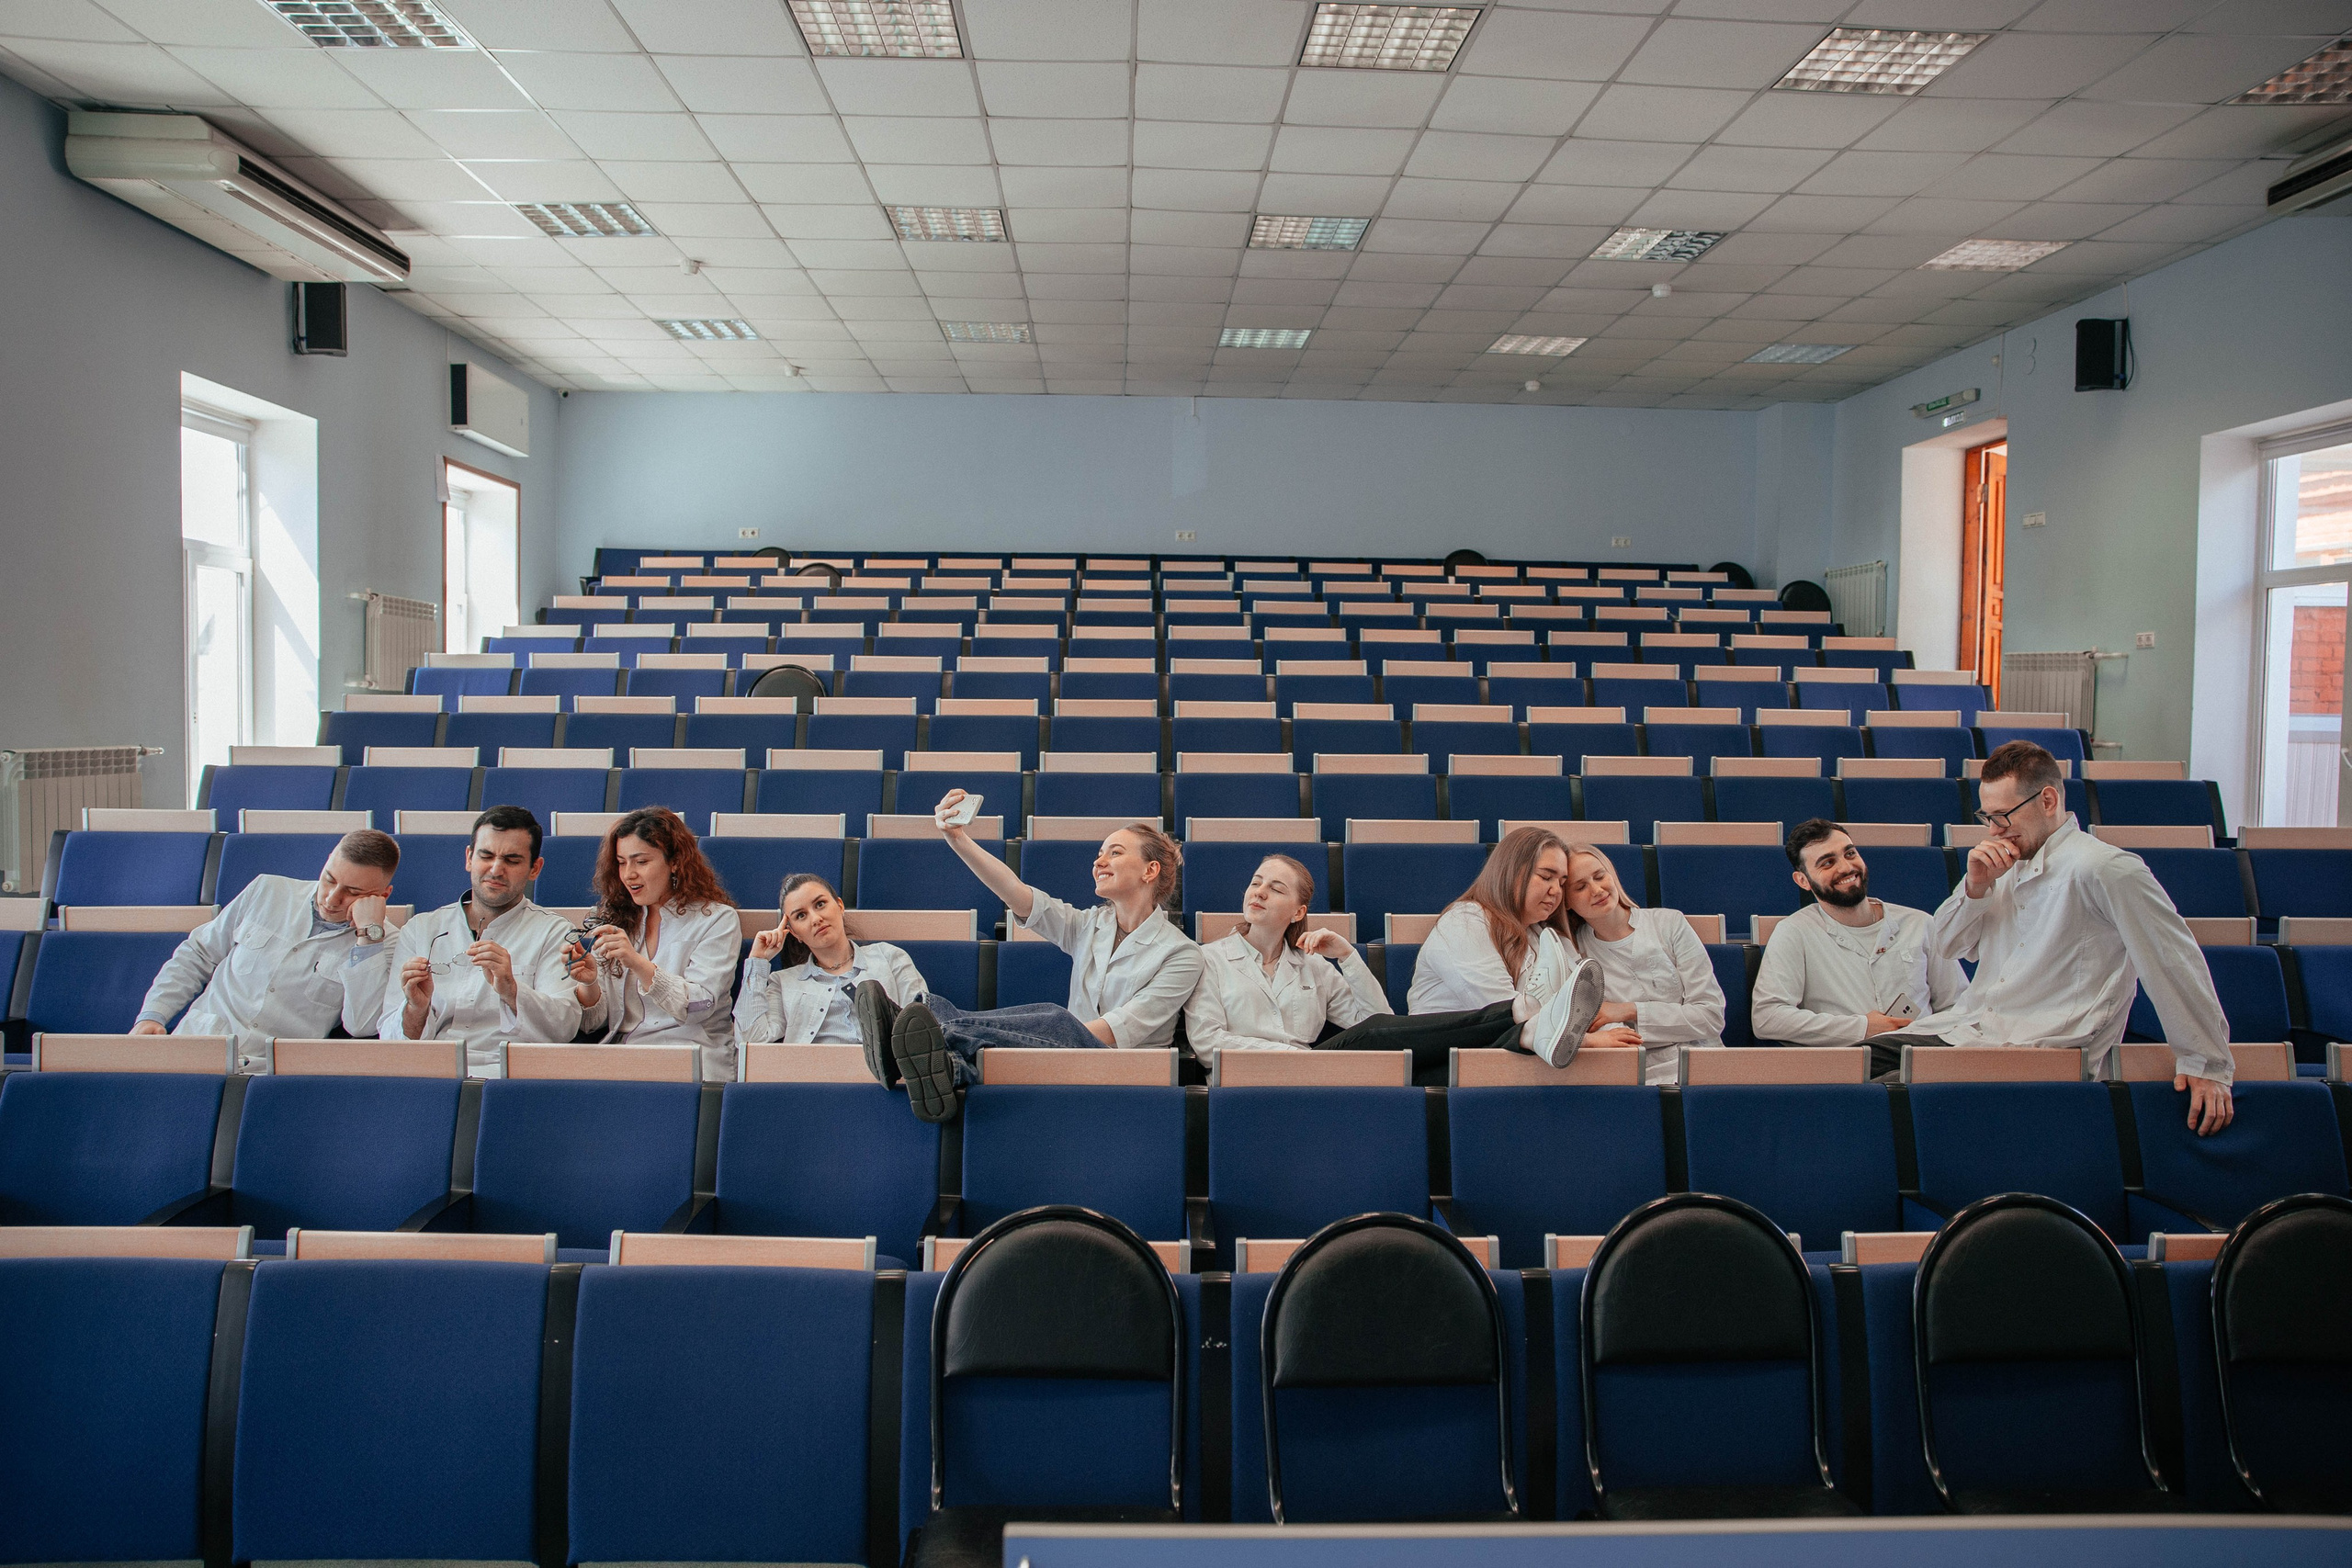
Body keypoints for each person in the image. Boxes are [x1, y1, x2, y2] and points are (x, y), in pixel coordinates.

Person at [1887, 739, 2236, 1134]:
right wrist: (1976, 887)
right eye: (1987, 817)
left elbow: (2171, 960)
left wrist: (2207, 1064)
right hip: (1971, 1028)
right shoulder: (2006, 862)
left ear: (2048, 801)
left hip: (2040, 1046)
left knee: (1875, 1094)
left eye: (2003, 817)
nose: (1994, 830)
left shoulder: (2107, 868)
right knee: (1850, 1061)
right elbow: (1948, 946)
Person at [860, 788, 1205, 1122]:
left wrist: (1039, 1043)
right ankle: (948, 1063)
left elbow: (1112, 1031)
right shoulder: (1090, 925)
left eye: (1115, 853)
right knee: (1055, 1022)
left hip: (1130, 1075)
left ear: (1150, 871)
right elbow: (1017, 894)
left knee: (1056, 1018)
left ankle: (927, 1031)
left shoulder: (1182, 954)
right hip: (1069, 1062)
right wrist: (957, 839)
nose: (1099, 861)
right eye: (1100, 853)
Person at [1197, 852, 1579, 1080]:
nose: (1259, 892)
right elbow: (1207, 1042)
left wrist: (1348, 957)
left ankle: (1525, 1032)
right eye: (1256, 883)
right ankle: (1520, 1013)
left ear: (1299, 912)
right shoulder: (1209, 959)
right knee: (1380, 1037)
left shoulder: (1313, 966)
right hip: (1244, 1077)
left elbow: (1379, 1022)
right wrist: (1293, 1055)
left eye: (1276, 888)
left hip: (1312, 1076)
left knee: (1419, 1064)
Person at [132, 829, 401, 1068]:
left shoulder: (386, 942)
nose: (332, 899)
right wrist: (153, 1015)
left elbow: (360, 1025)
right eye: (329, 879)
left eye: (353, 892)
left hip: (273, 1072)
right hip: (198, 1044)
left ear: (382, 895)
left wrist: (368, 938)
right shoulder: (267, 890)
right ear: (328, 859)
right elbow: (198, 954)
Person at [379, 806, 581, 1076]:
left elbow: (564, 1029)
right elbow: (389, 1041)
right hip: (430, 1074)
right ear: (469, 858)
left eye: (512, 860)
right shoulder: (421, 929)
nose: (496, 870)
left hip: (510, 1076)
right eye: (486, 856)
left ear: (535, 869)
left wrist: (511, 990)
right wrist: (416, 1009)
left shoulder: (554, 931)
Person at [1752, 819, 1965, 1059]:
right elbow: (1768, 1018)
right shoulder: (1794, 932)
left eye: (1850, 854)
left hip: (1925, 1060)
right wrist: (1862, 1028)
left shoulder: (1920, 924)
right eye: (1828, 863)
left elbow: (1958, 1006)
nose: (1846, 867)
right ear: (1803, 880)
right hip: (1848, 1066)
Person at [1404, 826, 1610, 1071]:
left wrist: (1614, 1034)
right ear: (1511, 873)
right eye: (1546, 877)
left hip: (1513, 1062)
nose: (1556, 890)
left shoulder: (1543, 934)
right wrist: (1587, 1040)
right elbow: (1502, 1013)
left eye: (1562, 882)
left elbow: (1584, 1004)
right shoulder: (1465, 921)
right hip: (1447, 1064)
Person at [564, 806, 742, 1082]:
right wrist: (589, 984)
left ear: (675, 862)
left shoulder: (717, 919)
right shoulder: (616, 919)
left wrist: (637, 963)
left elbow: (699, 1005)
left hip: (692, 1057)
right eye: (621, 863)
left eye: (641, 862)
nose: (628, 874)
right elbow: (593, 1023)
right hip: (625, 1059)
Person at [733, 871, 929, 1085]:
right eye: (801, 916)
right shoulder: (783, 982)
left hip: (888, 1081)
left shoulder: (889, 957)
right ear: (794, 933)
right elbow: (750, 1041)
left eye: (820, 904)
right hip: (811, 1083)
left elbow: (921, 1029)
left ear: (840, 906)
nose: (816, 919)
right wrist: (757, 962)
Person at [1560, 842, 1725, 1085]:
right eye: (1581, 887)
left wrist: (1629, 1010)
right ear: (1566, 902)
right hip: (1634, 1073)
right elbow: (1610, 1035)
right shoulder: (1573, 952)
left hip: (1704, 1062)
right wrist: (1677, 1020)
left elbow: (1710, 1016)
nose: (1596, 890)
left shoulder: (1669, 923)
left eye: (1600, 876)